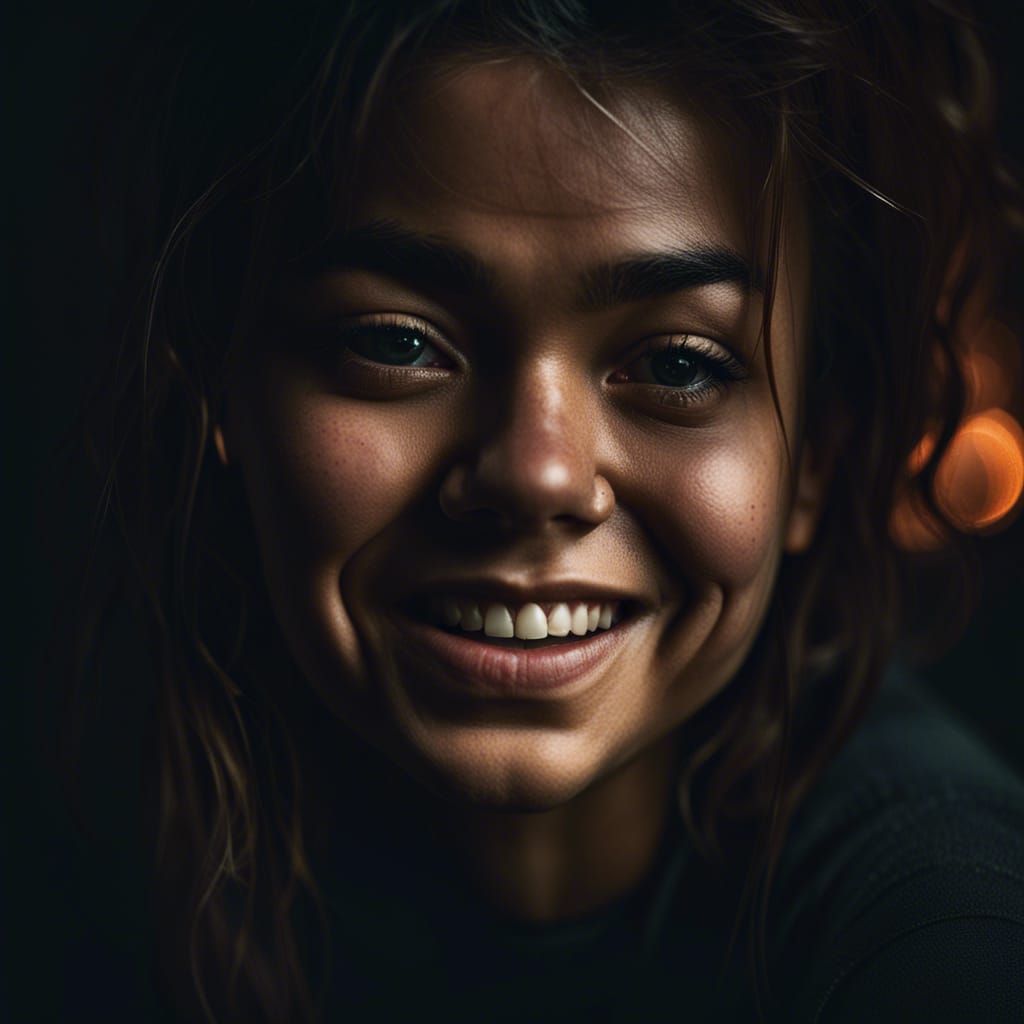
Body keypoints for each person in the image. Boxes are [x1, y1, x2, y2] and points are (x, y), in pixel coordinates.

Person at [59, 1, 1024, 1021]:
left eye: (677, 364)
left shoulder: (941, 932)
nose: (537, 475)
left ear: (816, 455)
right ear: (225, 386)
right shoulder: (104, 876)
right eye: (397, 343)